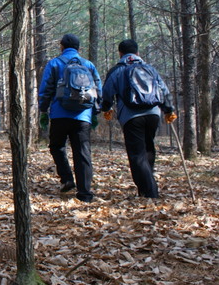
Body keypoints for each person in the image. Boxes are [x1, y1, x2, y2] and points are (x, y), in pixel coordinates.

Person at [100, 39, 177, 199]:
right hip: (153, 114)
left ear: (120, 53)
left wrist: (106, 109)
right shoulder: (150, 69)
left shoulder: (117, 70)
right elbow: (164, 90)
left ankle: (150, 192)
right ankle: (146, 187)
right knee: (148, 148)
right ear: (137, 53)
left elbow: (106, 93)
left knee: (137, 154)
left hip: (131, 117)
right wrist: (168, 110)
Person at [38, 34, 102, 202]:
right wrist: (95, 112)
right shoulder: (88, 65)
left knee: (57, 146)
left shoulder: (54, 63)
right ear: (79, 49)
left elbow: (46, 89)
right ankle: (85, 194)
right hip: (83, 116)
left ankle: (67, 179)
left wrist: (43, 110)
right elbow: (98, 90)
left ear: (61, 46)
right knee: (83, 153)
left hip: (60, 114)